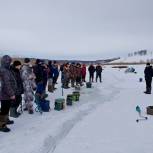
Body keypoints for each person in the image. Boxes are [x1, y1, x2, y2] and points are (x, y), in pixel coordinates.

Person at [0, 55, 17, 132]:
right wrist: (11, 94)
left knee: (6, 109)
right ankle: (2, 125)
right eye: (9, 61)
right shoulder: (4, 70)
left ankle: (6, 120)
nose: (10, 63)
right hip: (5, 94)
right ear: (6, 62)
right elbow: (7, 84)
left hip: (6, 94)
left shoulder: (6, 69)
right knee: (4, 110)